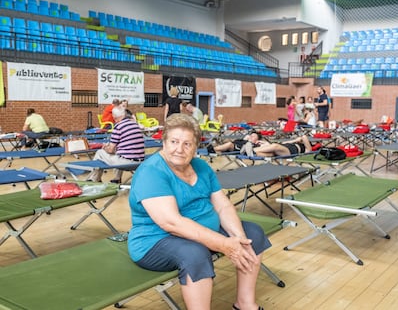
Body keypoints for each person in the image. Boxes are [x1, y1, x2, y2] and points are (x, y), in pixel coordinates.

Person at [128, 113, 270, 310]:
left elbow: (222, 205)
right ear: (164, 142)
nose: (179, 149)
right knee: (195, 253)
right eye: (174, 142)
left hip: (200, 232)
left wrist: (238, 239)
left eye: (187, 144)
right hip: (155, 240)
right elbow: (171, 223)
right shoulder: (151, 172)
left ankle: (245, 304)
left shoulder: (201, 166)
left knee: (252, 234)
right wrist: (224, 244)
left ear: (196, 147)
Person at [87, 106, 145, 183]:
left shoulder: (118, 126)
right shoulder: (135, 125)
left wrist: (104, 147)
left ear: (114, 117)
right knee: (119, 153)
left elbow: (110, 150)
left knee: (100, 153)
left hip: (126, 162)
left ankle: (95, 179)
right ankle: (117, 178)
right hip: (140, 160)